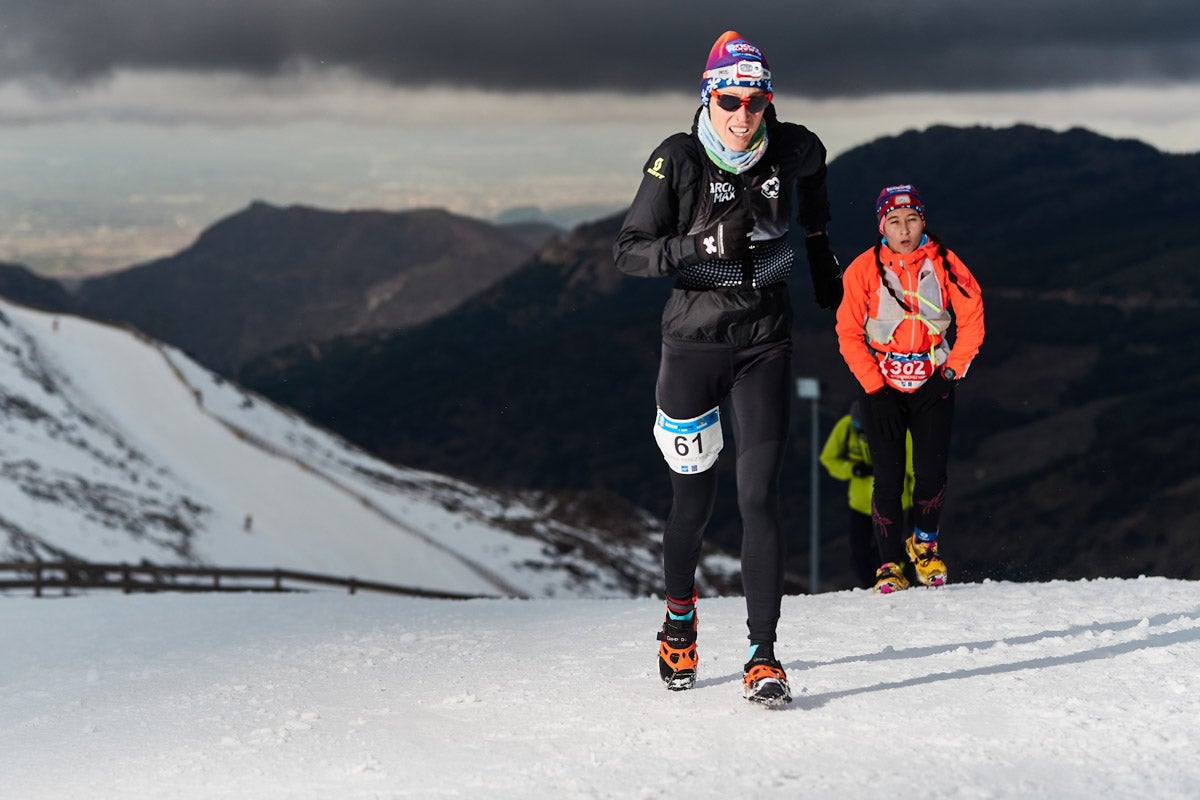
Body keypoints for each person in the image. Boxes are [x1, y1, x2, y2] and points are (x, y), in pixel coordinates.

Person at [613, 30, 842, 706]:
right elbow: (628, 252)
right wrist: (698, 243)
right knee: (694, 502)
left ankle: (763, 655)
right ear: (708, 97)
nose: (744, 116)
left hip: (765, 343)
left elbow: (817, 169)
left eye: (755, 100)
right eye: (730, 100)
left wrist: (822, 247)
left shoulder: (792, 146)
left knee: (758, 498)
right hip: (692, 346)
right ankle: (679, 617)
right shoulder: (677, 161)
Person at [835, 184, 985, 593]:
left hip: (933, 380)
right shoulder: (862, 270)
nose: (904, 230)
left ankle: (925, 545)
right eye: (895, 222)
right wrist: (874, 388)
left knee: (931, 472)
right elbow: (848, 333)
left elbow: (973, 318)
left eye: (912, 220)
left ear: (924, 221)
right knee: (887, 478)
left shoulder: (946, 263)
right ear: (882, 225)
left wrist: (950, 374)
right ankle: (888, 564)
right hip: (882, 385)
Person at [819, 400, 914, 589]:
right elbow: (828, 458)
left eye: (866, 430)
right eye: (857, 428)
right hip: (860, 505)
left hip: (895, 504)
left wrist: (915, 504)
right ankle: (873, 587)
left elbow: (913, 469)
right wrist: (852, 469)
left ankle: (905, 583)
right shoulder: (845, 427)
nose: (862, 436)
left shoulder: (900, 430)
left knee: (895, 551)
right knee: (859, 554)